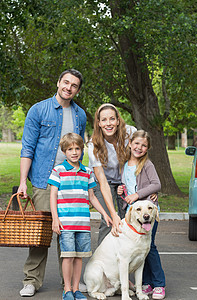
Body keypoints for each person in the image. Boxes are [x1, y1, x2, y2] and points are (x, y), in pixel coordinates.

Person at [18, 69, 87, 297]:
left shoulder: (80, 116)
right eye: (65, 82)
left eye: (74, 85)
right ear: (58, 82)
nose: (69, 87)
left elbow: (79, 150)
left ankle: (67, 282)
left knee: (68, 232)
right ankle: (31, 280)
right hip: (42, 181)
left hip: (70, 182)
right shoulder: (38, 110)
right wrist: (22, 183)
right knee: (41, 234)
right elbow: (27, 148)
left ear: (77, 89)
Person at [48, 133, 112, 300]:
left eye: (77, 148)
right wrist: (55, 218)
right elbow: (53, 196)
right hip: (66, 223)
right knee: (68, 257)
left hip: (83, 223)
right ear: (64, 151)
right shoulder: (58, 170)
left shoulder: (87, 172)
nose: (74, 152)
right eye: (70, 149)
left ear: (82, 150)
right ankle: (67, 289)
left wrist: (104, 213)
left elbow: (92, 197)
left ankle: (76, 289)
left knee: (79, 257)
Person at [117, 130, 166, 300]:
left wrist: (138, 195)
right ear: (130, 143)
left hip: (147, 213)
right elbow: (127, 187)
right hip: (133, 215)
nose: (139, 147)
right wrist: (120, 190)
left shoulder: (147, 165)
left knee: (149, 247)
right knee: (138, 250)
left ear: (148, 148)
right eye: (136, 143)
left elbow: (156, 184)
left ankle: (159, 284)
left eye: (144, 145)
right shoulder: (123, 164)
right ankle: (146, 283)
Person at [87, 103, 136, 245]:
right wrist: (113, 214)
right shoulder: (93, 145)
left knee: (126, 218)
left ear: (118, 121)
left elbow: (141, 160)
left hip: (123, 180)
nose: (108, 123)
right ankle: (103, 260)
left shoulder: (130, 133)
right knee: (109, 218)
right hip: (102, 182)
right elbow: (102, 182)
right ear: (99, 123)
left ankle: (124, 257)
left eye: (112, 119)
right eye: (104, 120)